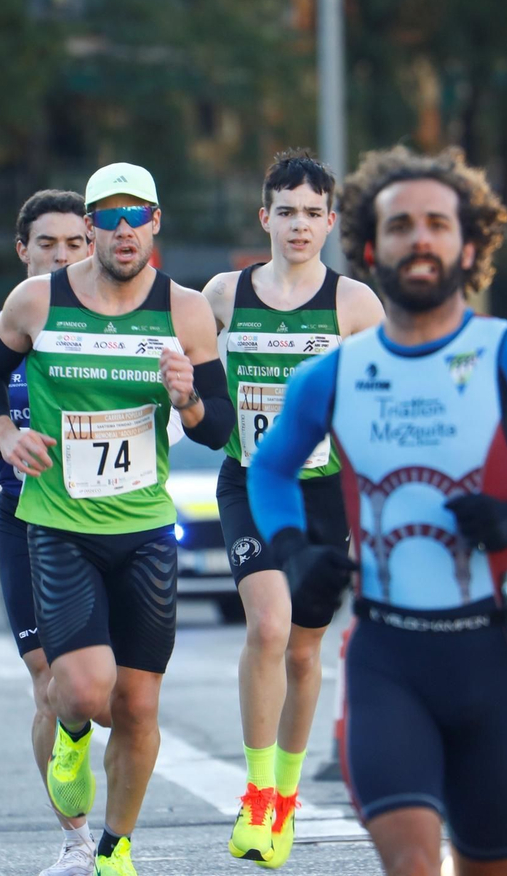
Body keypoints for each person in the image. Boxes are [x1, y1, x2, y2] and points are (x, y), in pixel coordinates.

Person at [246, 146, 507, 876]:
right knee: (411, 864)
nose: (420, 237)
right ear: (372, 247)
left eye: (438, 224)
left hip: (487, 658)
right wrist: (291, 548)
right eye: (401, 224)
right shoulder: (337, 372)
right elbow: (270, 466)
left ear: (468, 245)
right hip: (387, 658)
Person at [0, 162, 235, 876]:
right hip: (58, 523)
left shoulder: (185, 312)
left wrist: (189, 402)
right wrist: (3, 434)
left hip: (144, 529)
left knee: (139, 706)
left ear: (155, 224)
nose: (122, 230)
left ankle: (116, 849)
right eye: (107, 217)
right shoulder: (37, 302)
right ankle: (73, 735)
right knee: (84, 691)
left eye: (134, 215)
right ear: (88, 227)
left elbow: (218, 430)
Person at [198, 149, 383, 868]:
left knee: (306, 649)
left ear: (331, 222)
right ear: (264, 218)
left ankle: (285, 800)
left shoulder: (354, 305)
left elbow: (374, 413)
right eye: (287, 212)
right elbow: (193, 387)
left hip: (323, 490)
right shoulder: (221, 295)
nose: (299, 225)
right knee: (268, 626)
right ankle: (254, 793)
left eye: (313, 213)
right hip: (249, 481)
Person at [0, 188, 110, 876]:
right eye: (48, 243)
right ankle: (77, 841)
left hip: (113, 522)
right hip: (26, 522)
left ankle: (117, 826)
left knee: (111, 692)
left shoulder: (120, 321)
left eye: (75, 243)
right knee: (47, 681)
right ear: (23, 250)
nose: (62, 255)